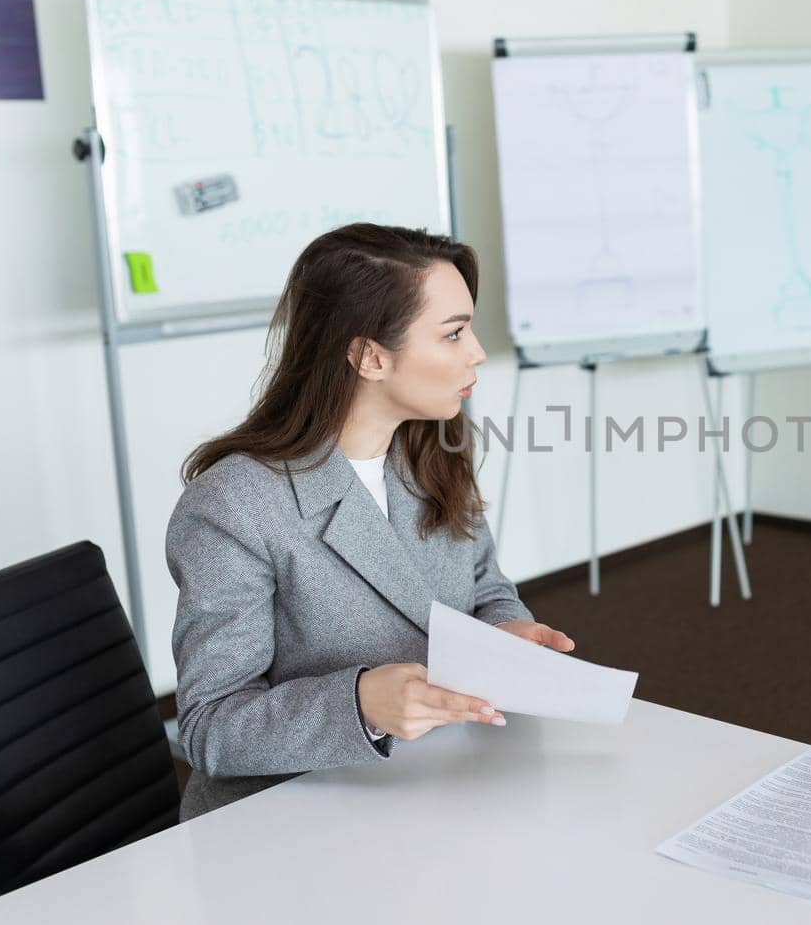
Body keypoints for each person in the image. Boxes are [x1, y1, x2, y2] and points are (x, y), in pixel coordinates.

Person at [169, 223, 574, 820]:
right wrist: (358, 705)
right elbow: (210, 729)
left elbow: (485, 584)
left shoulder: (427, 451)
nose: (478, 352)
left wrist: (506, 632)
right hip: (295, 822)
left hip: (433, 782)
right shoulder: (234, 505)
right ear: (369, 356)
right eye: (454, 333)